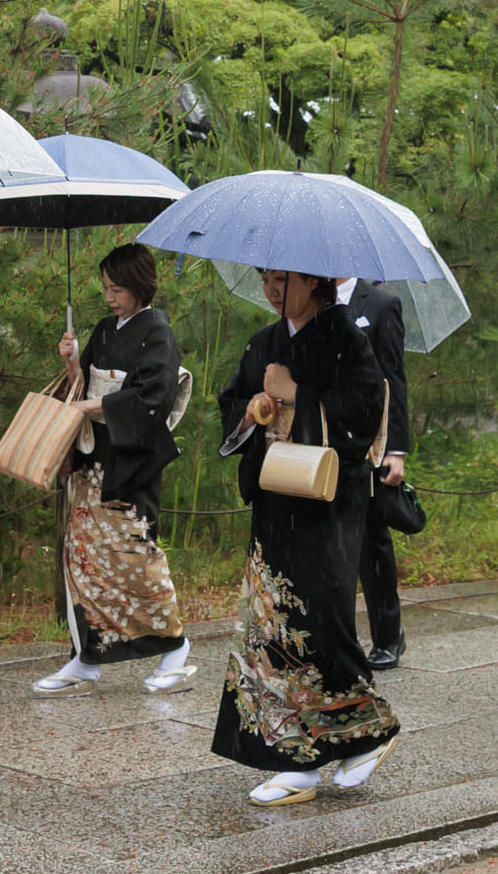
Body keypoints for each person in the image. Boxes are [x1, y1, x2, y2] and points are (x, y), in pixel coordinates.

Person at [212, 268, 401, 803]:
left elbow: (362, 417)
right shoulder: (265, 341)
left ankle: (352, 738)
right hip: (276, 495)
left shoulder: (347, 339)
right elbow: (231, 402)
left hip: (325, 502)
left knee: (320, 618)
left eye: (283, 280)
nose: (272, 291)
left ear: (314, 282)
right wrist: (253, 412)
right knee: (271, 624)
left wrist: (300, 395)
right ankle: (308, 753)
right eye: (266, 279)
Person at [32, 242, 192, 697]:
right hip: (90, 460)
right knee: (81, 559)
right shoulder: (105, 330)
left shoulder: (157, 333)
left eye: (117, 289)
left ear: (140, 287)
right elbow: (80, 382)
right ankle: (85, 655)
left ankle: (176, 647)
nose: (109, 297)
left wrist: (96, 403)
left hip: (129, 463)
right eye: (105, 288)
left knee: (135, 556)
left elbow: (152, 399)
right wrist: (70, 361)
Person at [344, 277, 414, 669]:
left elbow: (394, 379)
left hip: (371, 442)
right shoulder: (307, 297)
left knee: (372, 543)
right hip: (326, 438)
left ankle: (388, 636)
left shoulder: (382, 305)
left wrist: (395, 450)